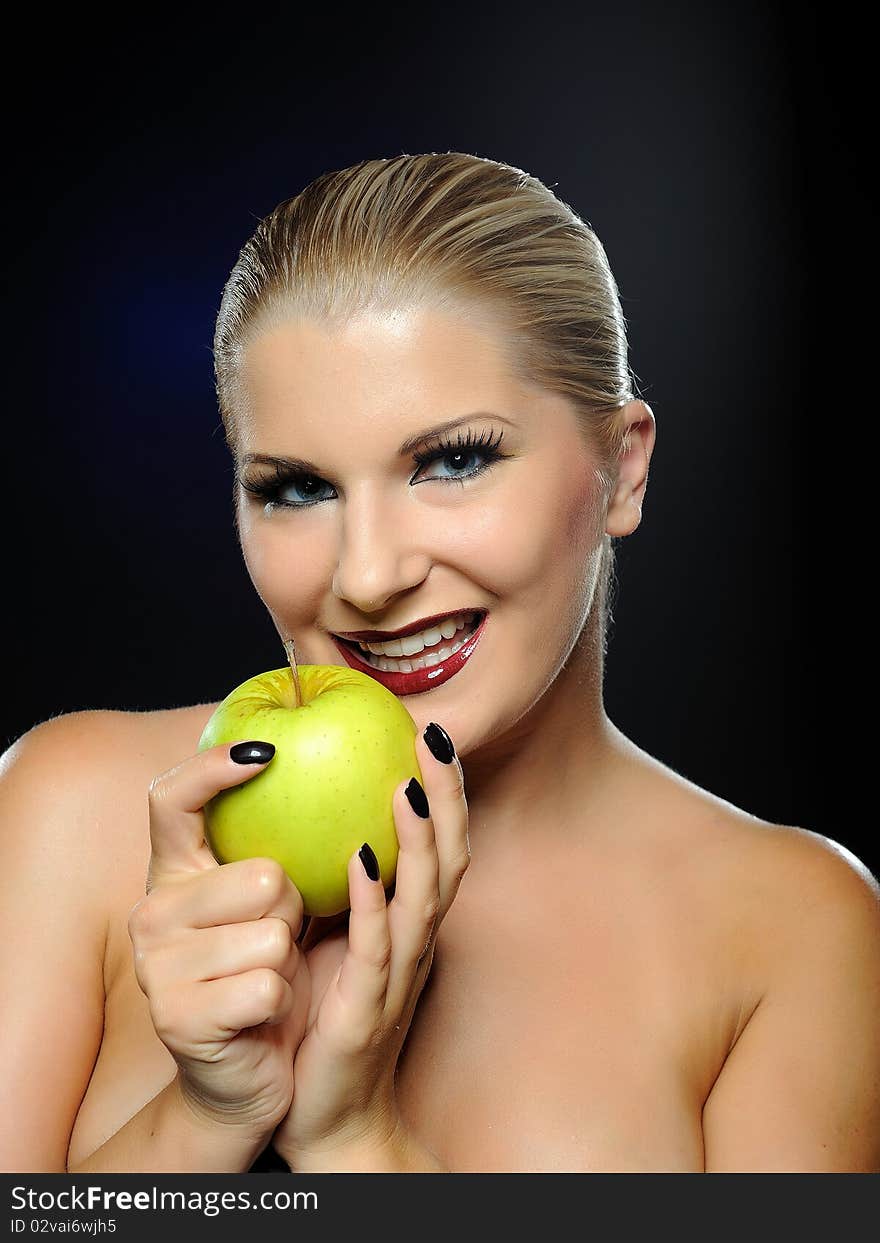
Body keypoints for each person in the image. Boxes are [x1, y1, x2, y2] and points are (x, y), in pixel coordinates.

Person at [2, 151, 878, 1175]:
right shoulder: (69, 810)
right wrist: (207, 1115)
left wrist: (350, 1140)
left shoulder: (789, 929)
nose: (367, 575)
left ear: (622, 468)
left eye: (453, 460)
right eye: (295, 488)